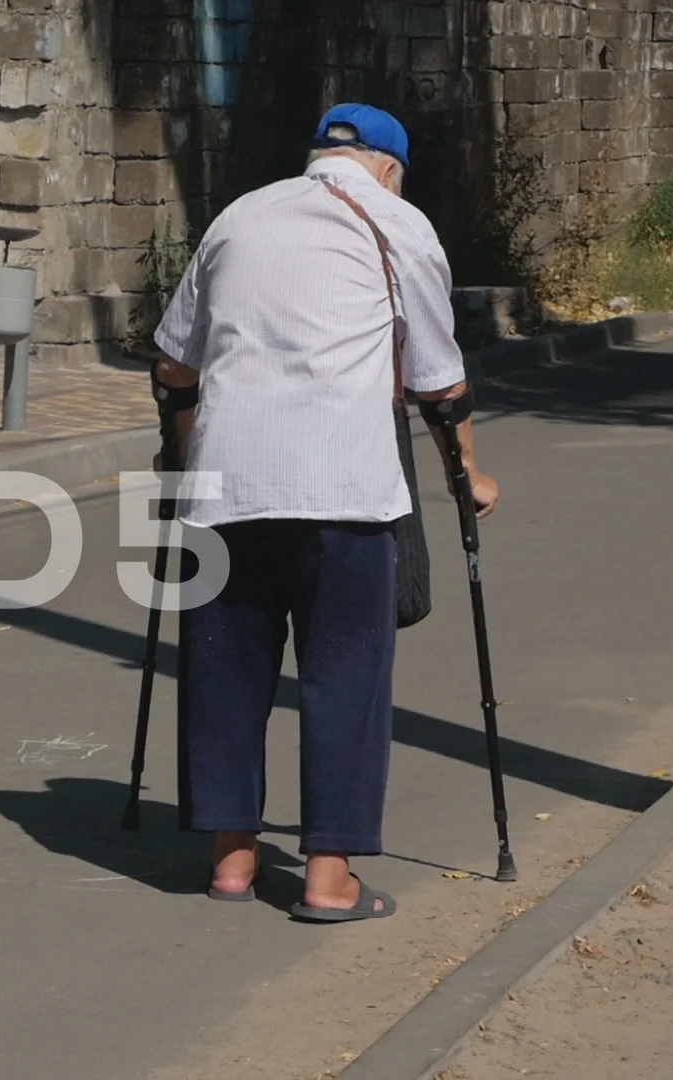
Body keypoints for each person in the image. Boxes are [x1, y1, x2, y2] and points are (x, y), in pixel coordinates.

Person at [147, 103, 499, 922]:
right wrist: (468, 477)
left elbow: (173, 365)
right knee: (345, 676)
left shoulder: (237, 217)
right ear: (387, 168)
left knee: (224, 671)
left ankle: (231, 859)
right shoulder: (399, 224)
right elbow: (440, 384)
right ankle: (327, 876)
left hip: (228, 484)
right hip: (344, 489)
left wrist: (176, 463)